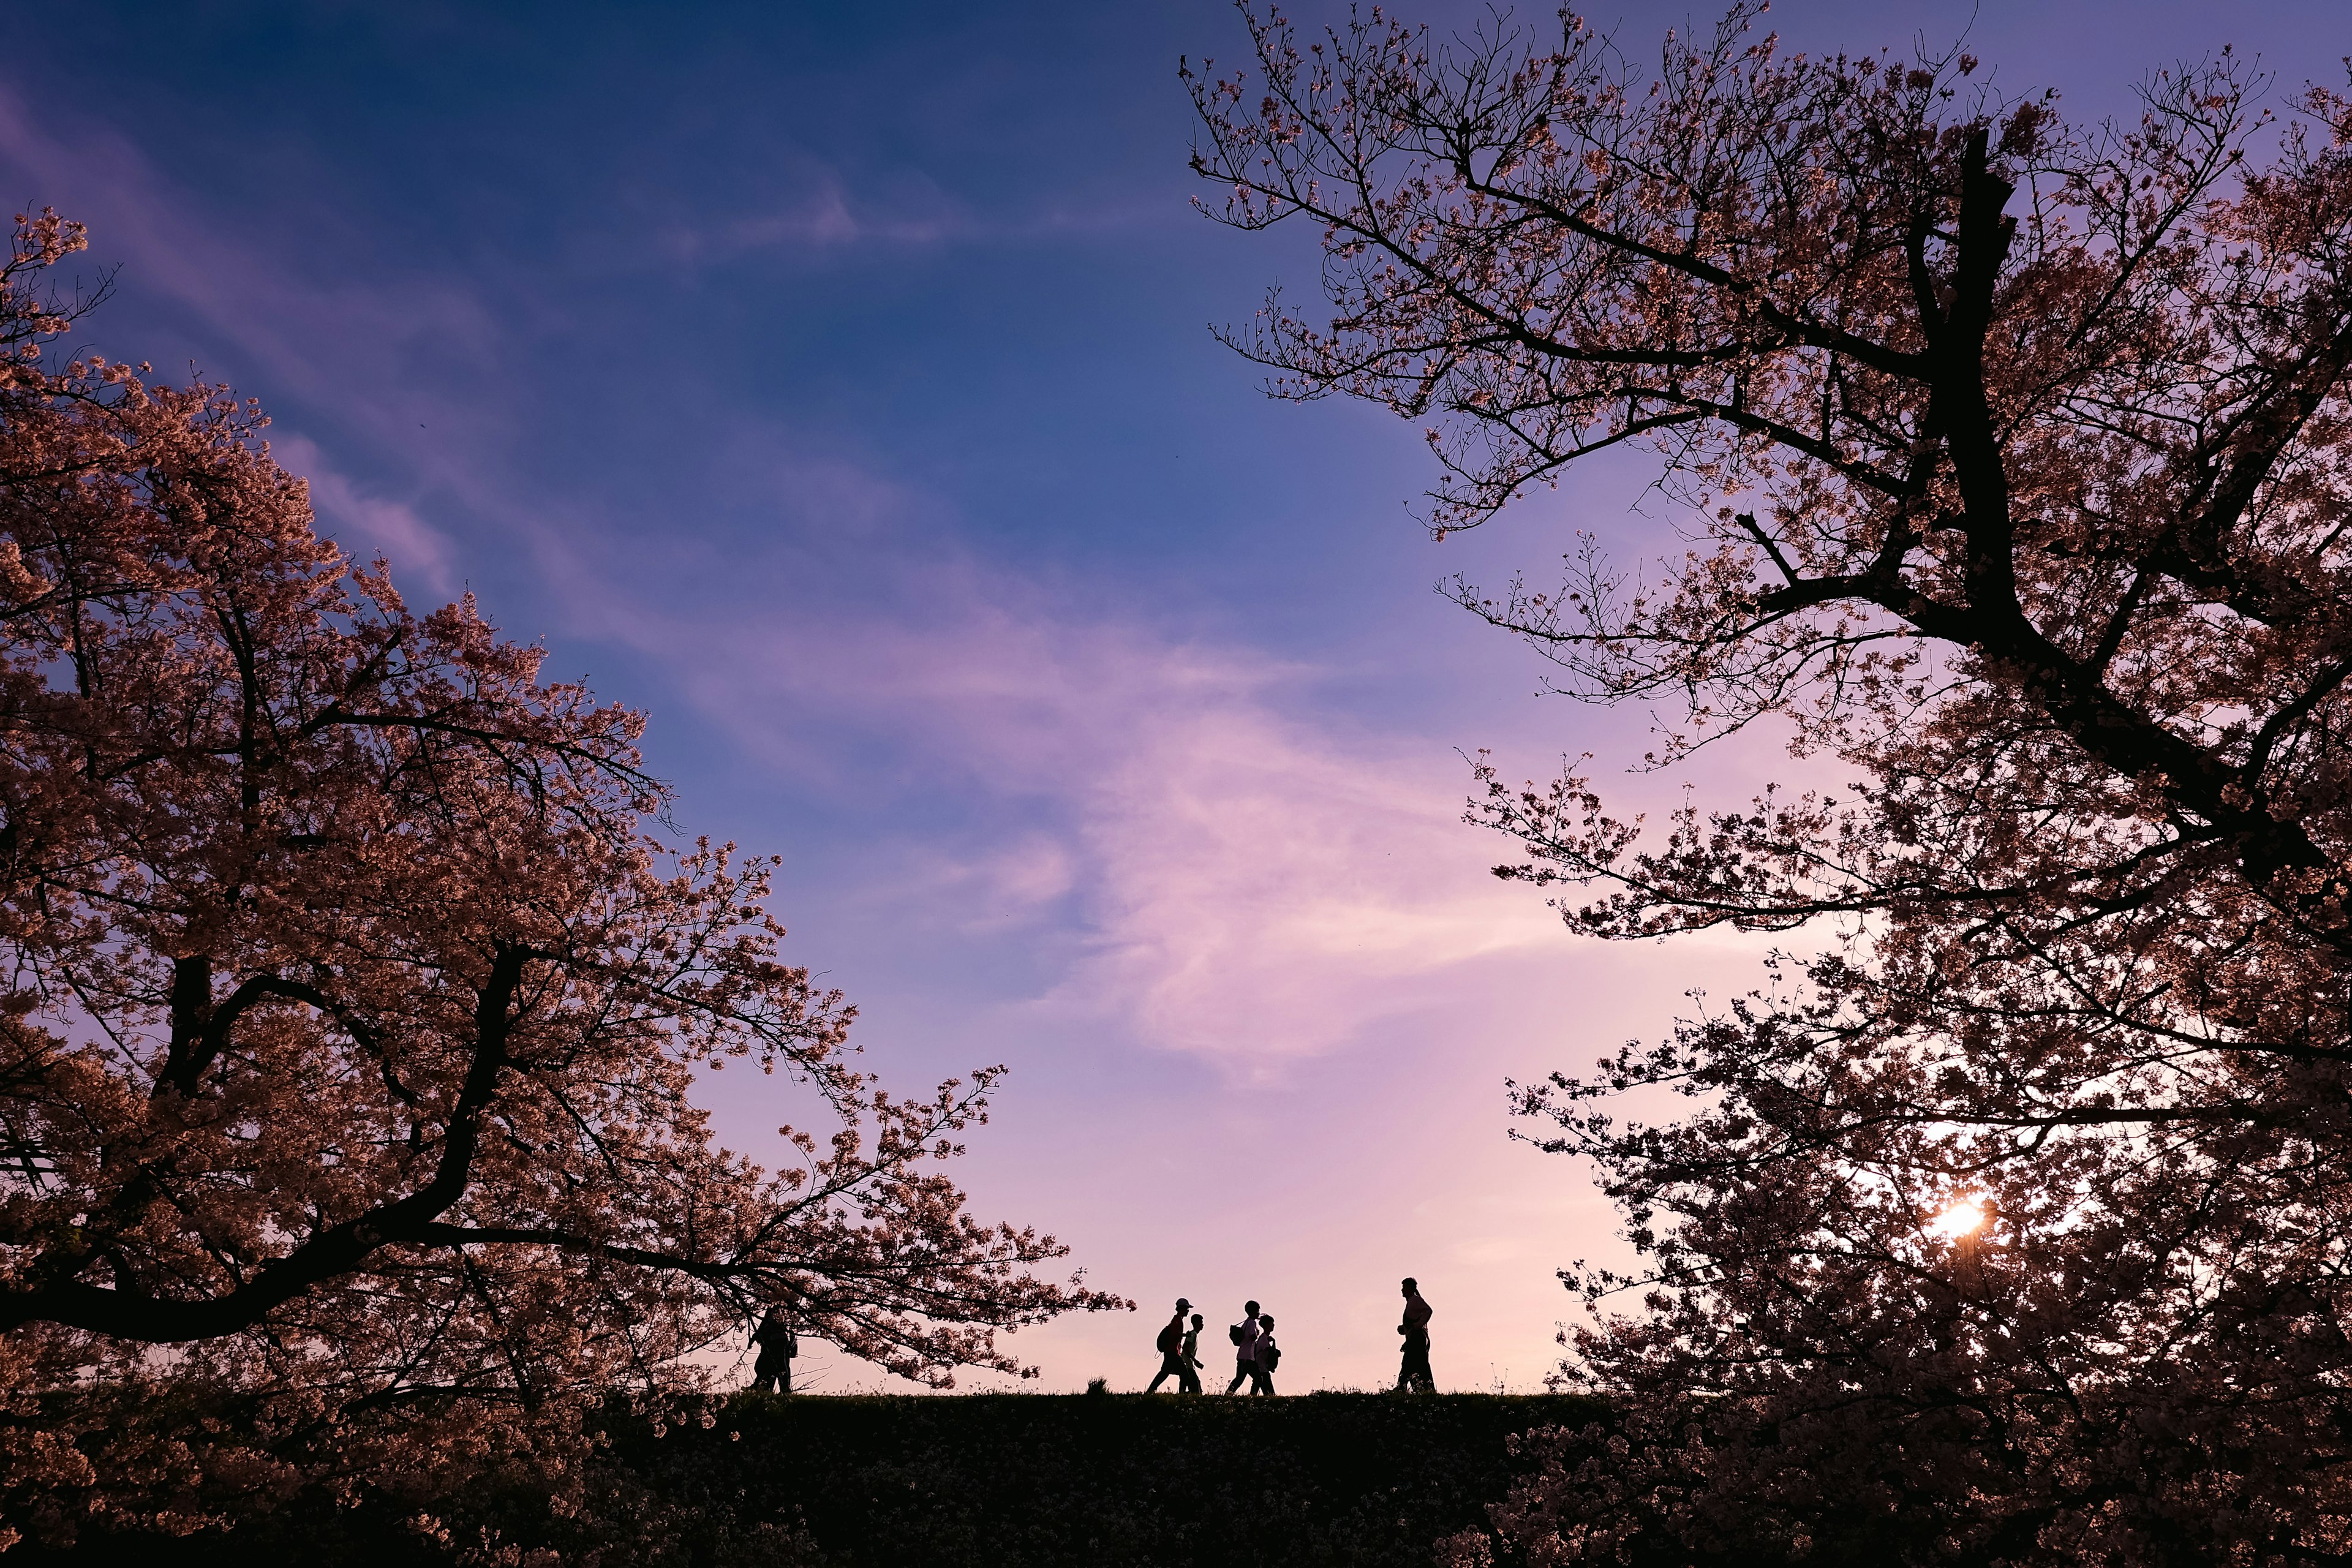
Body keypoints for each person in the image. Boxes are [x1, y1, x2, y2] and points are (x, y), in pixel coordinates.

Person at [1145, 1297, 1195, 1393]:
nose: (1188, 1311)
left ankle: (1151, 1390)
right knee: (1184, 1373)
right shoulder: (1177, 1320)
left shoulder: (1177, 1319)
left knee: (1164, 1373)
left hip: (1171, 1352)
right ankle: (1183, 1393)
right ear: (1182, 1308)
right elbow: (1174, 1334)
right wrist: (1185, 1335)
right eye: (1187, 1308)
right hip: (1172, 1353)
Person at [1396, 1277, 1434, 1393]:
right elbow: (1413, 1321)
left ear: (1409, 1288)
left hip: (1417, 1340)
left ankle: (1401, 1389)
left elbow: (1429, 1311)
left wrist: (1418, 1325)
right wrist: (1405, 1328)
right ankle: (1423, 1391)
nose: (1402, 1290)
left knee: (1409, 1365)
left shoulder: (1415, 1301)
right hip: (1416, 1339)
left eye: (1404, 1287)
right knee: (1418, 1366)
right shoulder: (1412, 1302)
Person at [750, 1306, 797, 1393]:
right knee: (769, 1367)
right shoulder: (780, 1310)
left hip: (778, 1340)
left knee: (779, 1366)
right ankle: (767, 1388)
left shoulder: (778, 1309)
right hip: (775, 1341)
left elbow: (765, 1323)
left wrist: (754, 1338)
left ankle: (783, 1388)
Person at [1224, 1299, 1263, 1394]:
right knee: (1258, 1378)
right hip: (1247, 1357)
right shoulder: (1252, 1323)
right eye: (1258, 1311)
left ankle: (1228, 1395)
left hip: (1243, 1356)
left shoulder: (1246, 1323)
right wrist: (1258, 1333)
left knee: (1240, 1379)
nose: (1259, 1313)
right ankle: (1252, 1396)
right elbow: (1253, 1337)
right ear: (1253, 1311)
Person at [1248, 1312, 1280, 1396]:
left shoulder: (1264, 1338)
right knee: (1270, 1394)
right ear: (1267, 1325)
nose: (1273, 1325)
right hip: (1262, 1369)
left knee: (1264, 1391)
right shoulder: (1263, 1339)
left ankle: (1251, 1399)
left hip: (1262, 1369)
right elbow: (1271, 1352)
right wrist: (1274, 1342)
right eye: (1272, 1323)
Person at [1180, 1311, 1206, 1394]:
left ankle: (1182, 1396)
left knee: (1193, 1387)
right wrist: (1195, 1361)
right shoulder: (1193, 1334)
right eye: (1201, 1322)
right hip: (1188, 1366)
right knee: (1196, 1390)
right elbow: (1185, 1347)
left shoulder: (1194, 1335)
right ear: (1196, 1323)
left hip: (1188, 1365)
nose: (1203, 1324)